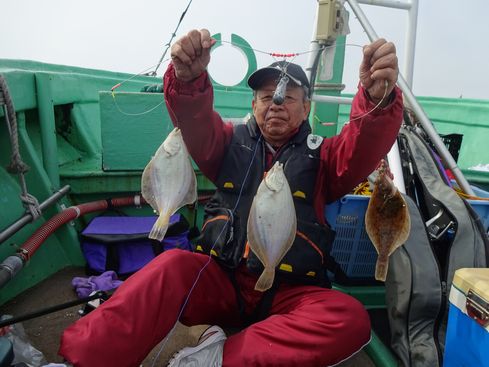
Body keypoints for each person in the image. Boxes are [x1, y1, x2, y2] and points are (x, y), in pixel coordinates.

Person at [59, 28, 403, 367]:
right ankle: (82, 361)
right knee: (170, 266)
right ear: (253, 104)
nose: (276, 104)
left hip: (291, 292)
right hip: (219, 279)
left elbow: (363, 145)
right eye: (266, 97)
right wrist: (188, 80)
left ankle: (221, 358)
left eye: (288, 97)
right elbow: (194, 124)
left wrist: (377, 99)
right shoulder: (225, 143)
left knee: (349, 319)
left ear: (305, 107)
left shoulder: (326, 156)